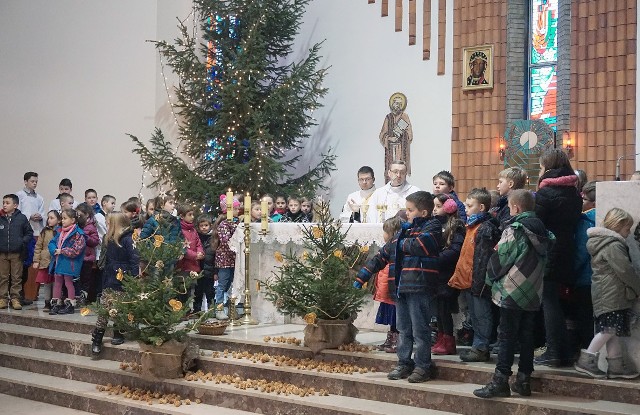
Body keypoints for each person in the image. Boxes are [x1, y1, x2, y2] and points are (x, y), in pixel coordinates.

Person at [473, 190, 554, 398]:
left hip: (512, 290)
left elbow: (501, 259)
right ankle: (523, 380)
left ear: (516, 207)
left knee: (506, 336)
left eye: (509, 207)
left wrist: (490, 278)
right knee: (527, 336)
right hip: (533, 290)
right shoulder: (543, 230)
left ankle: (500, 382)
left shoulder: (515, 229)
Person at [356, 191, 442, 383]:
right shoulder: (404, 231)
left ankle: (423, 366)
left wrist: (400, 243)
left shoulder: (434, 226)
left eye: (410, 210)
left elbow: (421, 244)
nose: (407, 213)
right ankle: (404, 362)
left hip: (420, 286)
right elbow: (381, 256)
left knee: (421, 330)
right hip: (401, 288)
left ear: (424, 212)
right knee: (403, 329)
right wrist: (363, 276)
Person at [574, 208, 640, 379]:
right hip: (612, 294)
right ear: (617, 226)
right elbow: (624, 270)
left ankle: (616, 366)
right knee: (609, 330)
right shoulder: (613, 245)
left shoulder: (603, 243)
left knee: (612, 330)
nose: (628, 233)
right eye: (627, 229)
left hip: (606, 293)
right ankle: (586, 360)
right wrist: (638, 287)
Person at [533, 148, 583, 367]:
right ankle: (563, 351)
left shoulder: (545, 193)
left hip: (549, 250)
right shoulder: (574, 192)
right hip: (566, 249)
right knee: (556, 301)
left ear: (548, 166)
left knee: (549, 302)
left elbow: (537, 224)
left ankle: (553, 351)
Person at [448, 188, 501, 362]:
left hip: (478, 282)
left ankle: (481, 347)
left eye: (470, 206)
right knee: (475, 315)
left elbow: (483, 259)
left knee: (482, 315)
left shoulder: (485, 228)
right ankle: (478, 346)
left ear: (482, 207)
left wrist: (479, 283)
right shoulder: (471, 226)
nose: (467, 209)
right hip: (469, 280)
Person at [91, 213, 139, 358]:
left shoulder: (128, 239)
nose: (106, 224)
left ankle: (118, 331)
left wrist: (133, 278)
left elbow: (134, 260)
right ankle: (97, 337)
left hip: (123, 278)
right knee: (105, 308)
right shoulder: (109, 238)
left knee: (120, 307)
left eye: (109, 222)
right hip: (109, 277)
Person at [354, 217, 403, 353]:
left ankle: (397, 340)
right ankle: (391, 338)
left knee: (396, 318)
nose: (383, 235)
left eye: (385, 232)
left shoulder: (396, 249)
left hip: (393, 290)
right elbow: (375, 263)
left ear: (392, 233)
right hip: (387, 290)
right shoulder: (387, 249)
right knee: (392, 318)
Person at [431, 194, 465, 355]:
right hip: (437, 274)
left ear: (448, 207)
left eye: (438, 206)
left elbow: (455, 250)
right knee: (438, 310)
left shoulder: (456, 226)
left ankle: (449, 340)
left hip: (448, 273)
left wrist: (435, 259)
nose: (434, 210)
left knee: (445, 310)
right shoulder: (435, 225)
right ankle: (441, 337)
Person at [571, 181, 597, 356]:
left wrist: (570, 272)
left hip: (584, 277)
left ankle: (587, 354)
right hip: (597, 278)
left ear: (594, 203)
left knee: (585, 318)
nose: (581, 202)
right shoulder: (603, 219)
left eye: (584, 199)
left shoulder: (586, 221)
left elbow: (581, 251)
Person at [48, 208, 86, 315]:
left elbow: (76, 250)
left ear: (73, 220)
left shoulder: (78, 234)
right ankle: (56, 303)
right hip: (59, 262)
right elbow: (52, 242)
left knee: (69, 283)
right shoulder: (60, 231)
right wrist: (53, 249)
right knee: (57, 283)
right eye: (62, 218)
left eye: (65, 218)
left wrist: (62, 251)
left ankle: (70, 304)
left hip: (70, 263)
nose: (62, 221)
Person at [0, 194, 33, 310]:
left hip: (17, 253)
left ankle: (15, 299)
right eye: (3, 202)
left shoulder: (21, 218)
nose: (4, 205)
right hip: (2, 253)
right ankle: (2, 299)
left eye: (7, 203)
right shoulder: (0, 218)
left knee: (16, 277)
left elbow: (29, 233)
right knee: (3, 277)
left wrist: (21, 242)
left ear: (15, 205)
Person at [211, 194, 240, 320]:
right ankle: (219, 308)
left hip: (234, 259)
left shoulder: (236, 222)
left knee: (232, 285)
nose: (238, 211)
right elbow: (226, 241)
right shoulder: (224, 224)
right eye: (236, 208)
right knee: (222, 284)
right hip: (224, 260)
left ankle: (231, 309)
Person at [176, 204, 205, 314]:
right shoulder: (179, 230)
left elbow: (198, 243)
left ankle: (189, 309)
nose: (192, 217)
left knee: (191, 288)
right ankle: (183, 310)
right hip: (184, 264)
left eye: (193, 214)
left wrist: (200, 252)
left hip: (193, 264)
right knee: (183, 288)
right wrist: (194, 255)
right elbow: (181, 247)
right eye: (190, 215)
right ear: (182, 216)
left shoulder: (193, 230)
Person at [379, 93, 413, 179]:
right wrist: (390, 138)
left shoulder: (404, 117)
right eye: (396, 103)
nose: (398, 105)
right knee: (391, 169)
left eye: (400, 104)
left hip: (401, 149)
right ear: (392, 104)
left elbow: (409, 133)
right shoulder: (388, 117)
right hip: (390, 148)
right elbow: (382, 134)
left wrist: (403, 135)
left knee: (400, 170)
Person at [32, 210, 61, 312]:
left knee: (56, 282)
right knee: (47, 283)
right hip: (45, 261)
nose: (49, 220)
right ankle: (47, 302)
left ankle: (56, 302)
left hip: (57, 262)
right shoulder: (44, 231)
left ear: (59, 220)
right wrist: (36, 260)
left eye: (52, 218)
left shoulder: (61, 231)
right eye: (48, 217)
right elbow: (38, 246)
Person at [75, 203, 100, 304]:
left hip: (87, 258)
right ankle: (75, 296)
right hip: (77, 257)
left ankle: (84, 297)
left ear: (87, 215)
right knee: (77, 279)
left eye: (80, 215)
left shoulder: (91, 227)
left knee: (86, 280)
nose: (78, 217)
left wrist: (85, 237)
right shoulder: (76, 226)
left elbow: (95, 241)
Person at [193, 214, 214, 314]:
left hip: (210, 270)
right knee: (198, 292)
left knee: (210, 291)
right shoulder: (197, 236)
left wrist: (215, 271)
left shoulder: (213, 238)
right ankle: (197, 310)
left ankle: (211, 309)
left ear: (210, 225)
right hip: (199, 269)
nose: (204, 227)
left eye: (206, 225)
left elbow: (215, 255)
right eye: (201, 226)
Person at [16, 172, 45, 237]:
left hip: (36, 229)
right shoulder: (19, 195)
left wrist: (40, 216)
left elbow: (42, 213)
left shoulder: (39, 198)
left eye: (36, 182)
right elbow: (17, 212)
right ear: (25, 182)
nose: (35, 183)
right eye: (32, 181)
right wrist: (29, 216)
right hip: (23, 229)